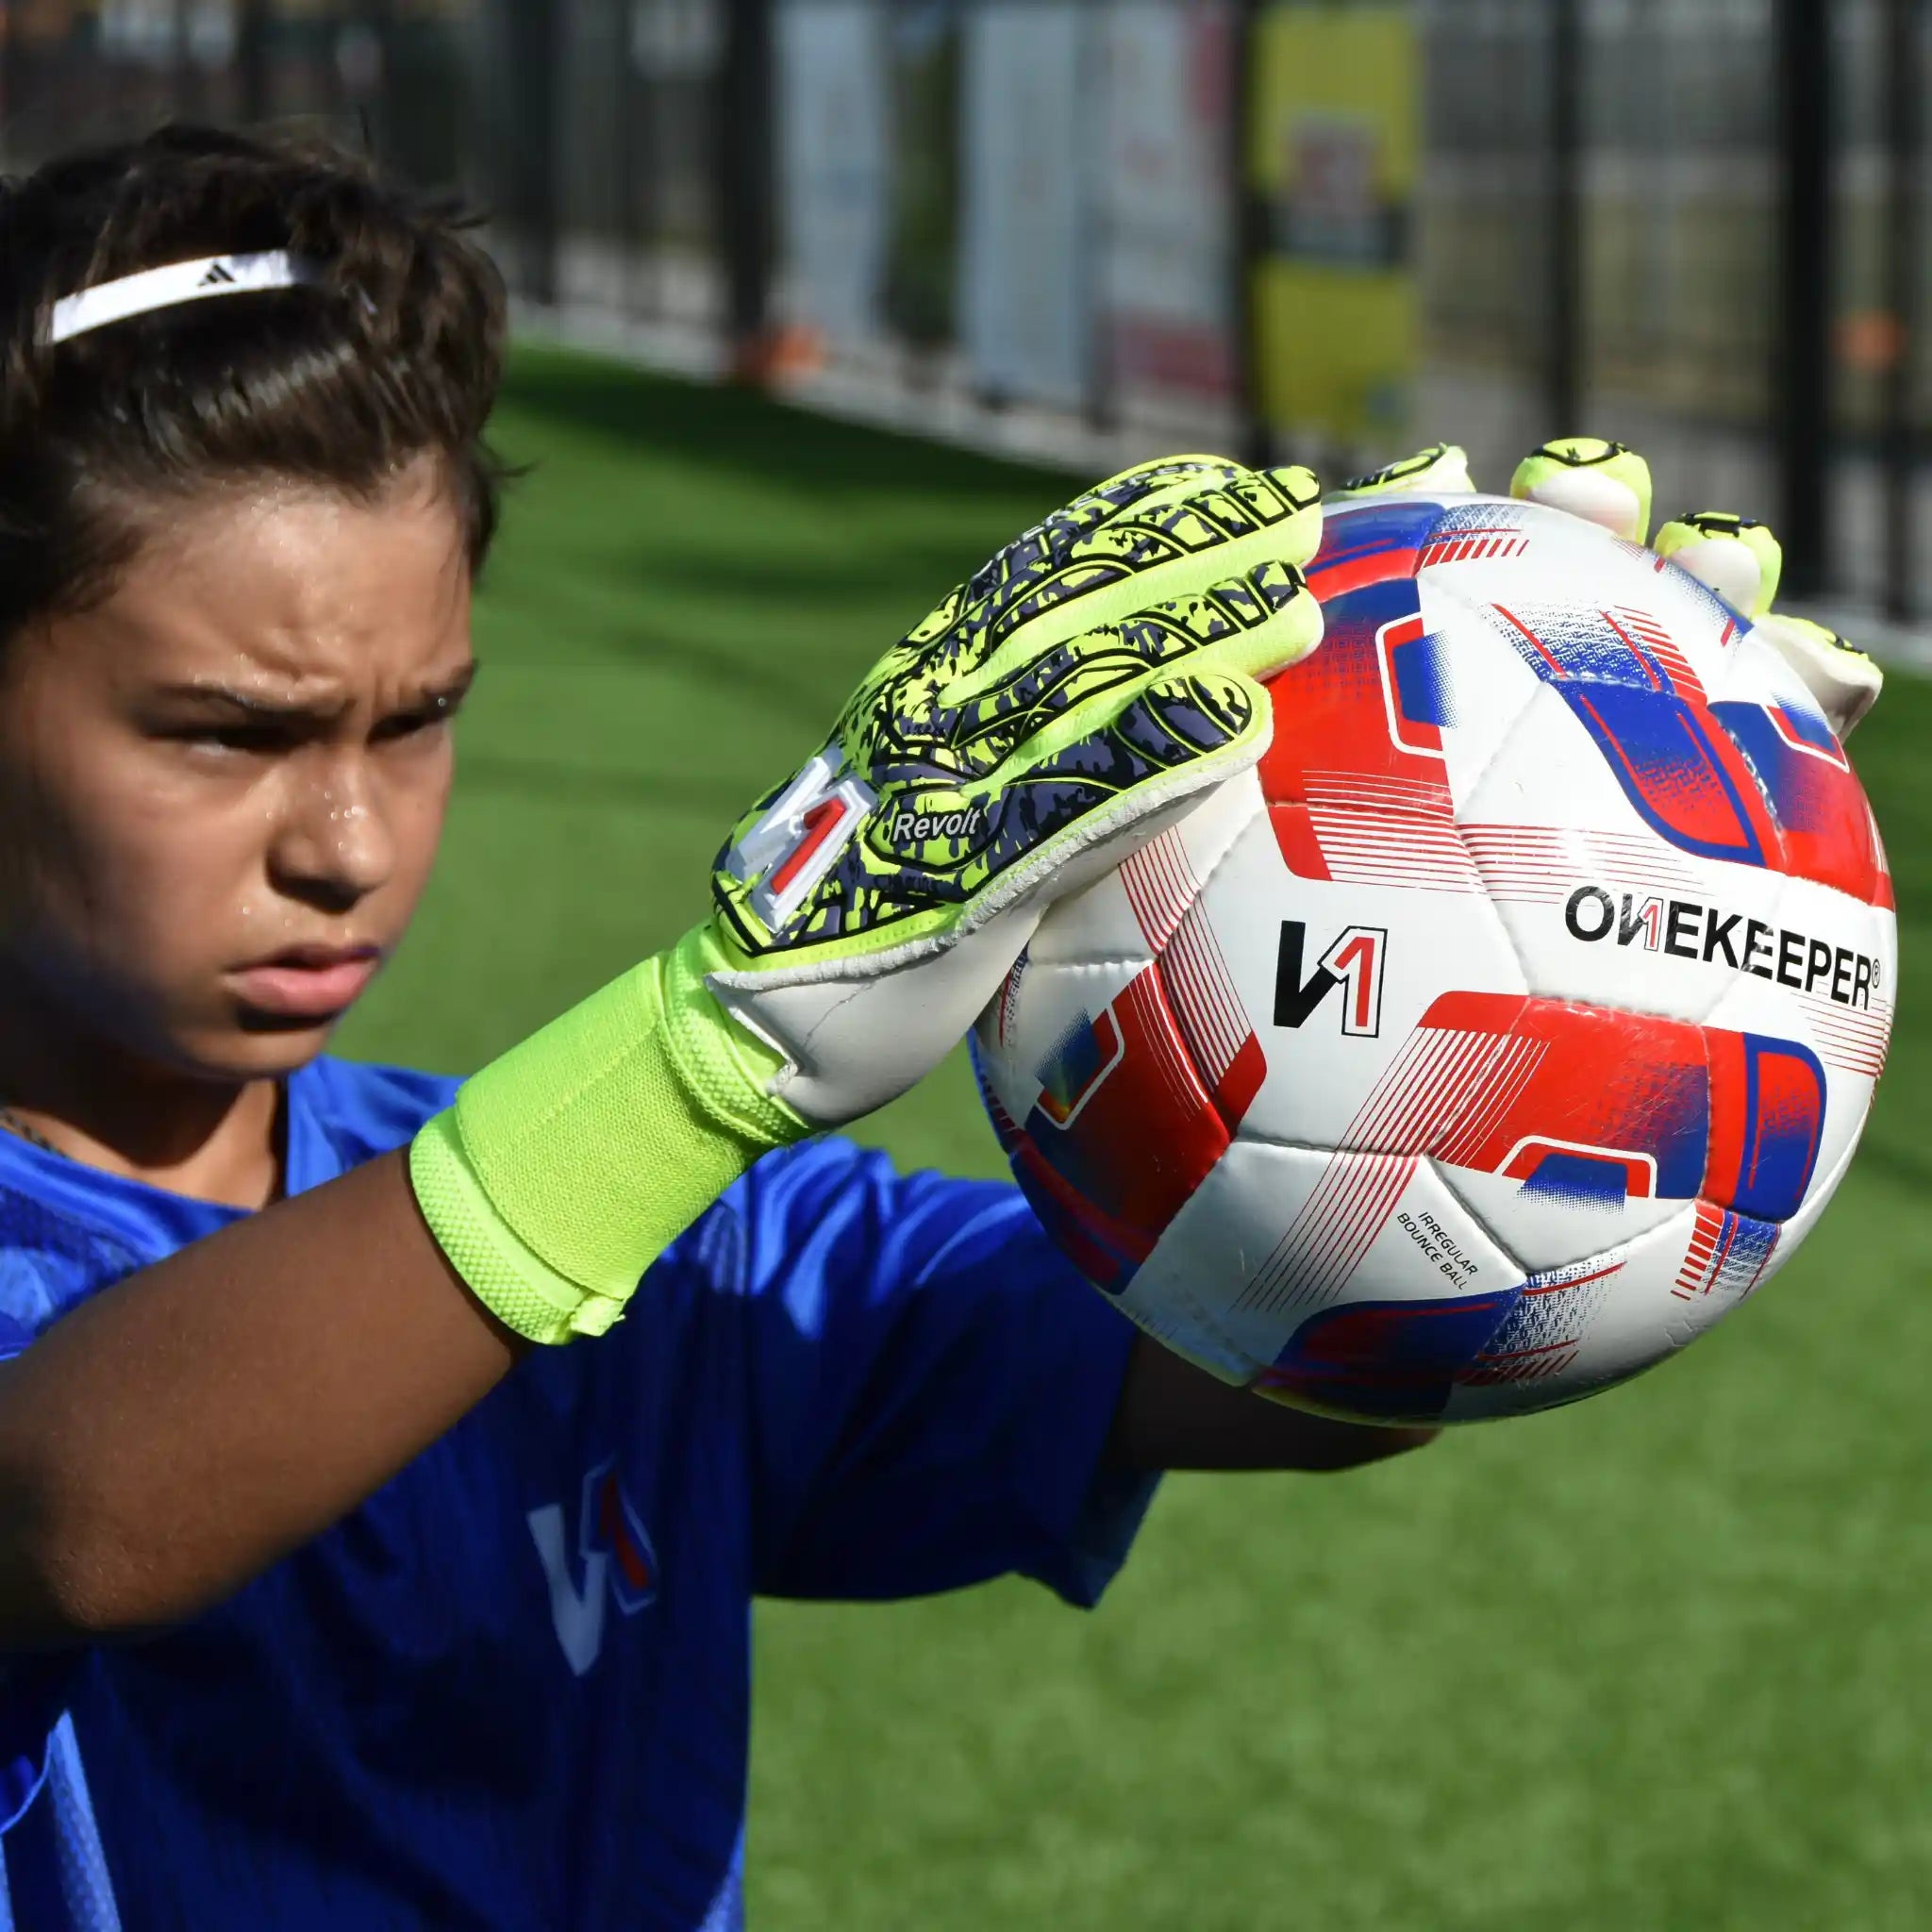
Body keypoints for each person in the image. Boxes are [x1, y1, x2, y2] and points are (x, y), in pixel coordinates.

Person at [0, 125, 1878, 1930]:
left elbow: (1277, 1356)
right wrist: (703, 1053)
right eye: (228, 731)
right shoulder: (617, 1163)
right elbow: (79, 1512)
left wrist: (1608, 978)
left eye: (414, 721)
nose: (343, 843)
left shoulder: (683, 1255)